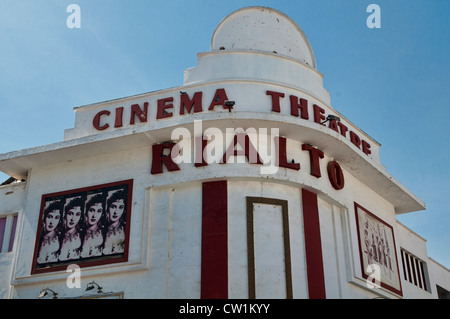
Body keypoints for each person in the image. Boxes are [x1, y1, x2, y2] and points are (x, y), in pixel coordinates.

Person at [37, 200, 63, 264]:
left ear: (59, 220)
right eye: (49, 217)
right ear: (44, 218)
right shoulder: (37, 238)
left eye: (56, 218)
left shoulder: (60, 240)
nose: (52, 222)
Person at [80, 193, 106, 258]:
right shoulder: (80, 233)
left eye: (99, 211)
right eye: (91, 210)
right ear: (86, 212)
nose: (94, 215)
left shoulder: (104, 233)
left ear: (102, 214)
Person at [59, 197, 84, 262]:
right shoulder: (58, 236)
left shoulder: (82, 236)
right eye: (70, 213)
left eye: (77, 214)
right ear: (65, 214)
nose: (73, 218)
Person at [103, 189, 127, 255]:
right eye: (113, 207)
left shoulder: (125, 229)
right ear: (108, 208)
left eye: (120, 207)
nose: (116, 212)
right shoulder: (102, 230)